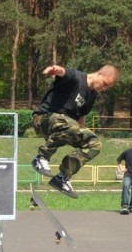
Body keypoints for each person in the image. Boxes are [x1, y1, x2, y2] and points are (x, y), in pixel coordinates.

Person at [31, 64, 120, 198]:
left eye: (107, 87)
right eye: (105, 84)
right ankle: (41, 158)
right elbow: (63, 72)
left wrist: (83, 138)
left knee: (94, 143)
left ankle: (62, 177)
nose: (104, 88)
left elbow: (81, 118)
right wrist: (55, 69)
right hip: (43, 118)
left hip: (65, 126)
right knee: (72, 126)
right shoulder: (77, 78)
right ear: (100, 74)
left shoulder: (91, 95)